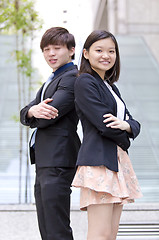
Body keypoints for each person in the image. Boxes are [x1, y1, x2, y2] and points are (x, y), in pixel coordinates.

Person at [72, 30, 142, 240]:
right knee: (100, 234)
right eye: (99, 50)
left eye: (111, 51)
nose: (106, 55)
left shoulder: (111, 87)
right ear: (86, 53)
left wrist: (127, 126)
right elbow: (105, 125)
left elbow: (134, 123)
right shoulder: (85, 82)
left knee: (110, 234)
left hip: (115, 160)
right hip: (99, 162)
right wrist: (125, 134)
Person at [20, 27, 81, 240]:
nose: (51, 54)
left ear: (72, 50)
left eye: (57, 48)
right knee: (46, 226)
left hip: (59, 158)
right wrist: (30, 111)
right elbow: (26, 111)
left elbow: (49, 114)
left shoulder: (72, 77)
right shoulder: (52, 80)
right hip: (46, 159)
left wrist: (33, 113)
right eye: (46, 49)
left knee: (56, 227)